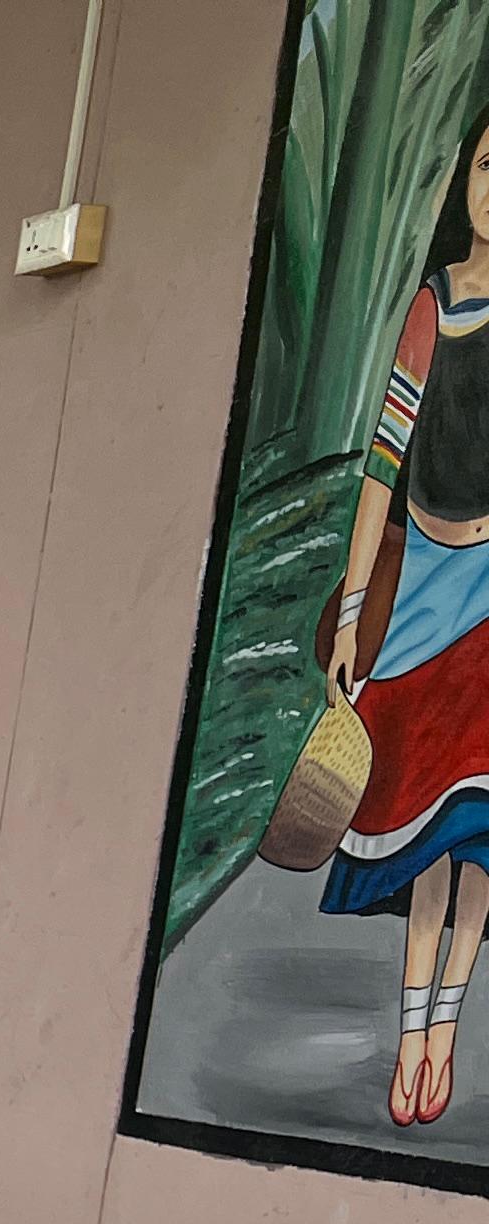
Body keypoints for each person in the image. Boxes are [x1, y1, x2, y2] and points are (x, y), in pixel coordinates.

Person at [322, 93, 489, 1128]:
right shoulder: (436, 305)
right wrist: (349, 614)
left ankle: (444, 1035)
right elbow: (382, 466)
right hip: (427, 580)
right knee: (425, 831)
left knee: (478, 836)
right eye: (485, 167)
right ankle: (411, 1031)